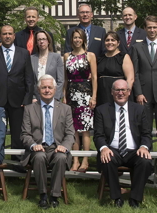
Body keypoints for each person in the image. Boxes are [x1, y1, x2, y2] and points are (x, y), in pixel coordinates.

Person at [93, 79, 152, 208]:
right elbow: (98, 135)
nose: (120, 93)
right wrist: (103, 148)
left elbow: (146, 134)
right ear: (112, 92)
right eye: (117, 90)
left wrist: (144, 146)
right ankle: (117, 197)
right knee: (107, 159)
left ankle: (135, 199)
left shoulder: (139, 110)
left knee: (145, 161)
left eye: (123, 90)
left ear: (129, 92)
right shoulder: (101, 110)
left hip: (134, 151)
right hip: (113, 149)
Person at [20, 75, 74, 209]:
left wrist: (64, 146)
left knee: (61, 158)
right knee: (39, 157)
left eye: (50, 87)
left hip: (57, 148)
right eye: (44, 87)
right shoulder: (29, 109)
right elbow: (25, 134)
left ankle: (55, 196)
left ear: (55, 90)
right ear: (38, 90)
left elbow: (70, 134)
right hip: (39, 147)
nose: (47, 90)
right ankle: (43, 195)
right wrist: (33, 145)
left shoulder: (65, 109)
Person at [0, 25, 34, 161]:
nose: (7, 36)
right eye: (4, 34)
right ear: (0, 36)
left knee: (18, 133)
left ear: (14, 36)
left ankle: (17, 161)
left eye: (10, 33)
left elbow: (29, 78)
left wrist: (27, 99)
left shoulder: (23, 53)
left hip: (18, 101)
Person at [63, 28, 97, 172]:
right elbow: (65, 79)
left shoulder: (90, 55)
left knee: (85, 130)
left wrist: (94, 96)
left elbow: (95, 77)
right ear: (72, 40)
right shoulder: (66, 56)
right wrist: (64, 96)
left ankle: (85, 160)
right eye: (75, 37)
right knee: (73, 129)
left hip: (85, 93)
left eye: (79, 37)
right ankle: (75, 160)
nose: (77, 40)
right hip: (71, 93)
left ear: (83, 39)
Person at [130, 15, 157, 127]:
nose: (152, 30)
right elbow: (135, 72)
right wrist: (139, 93)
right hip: (144, 95)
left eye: (155, 27)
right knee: (145, 129)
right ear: (145, 29)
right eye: (149, 27)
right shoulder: (137, 47)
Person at [97, 31, 134, 106]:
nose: (110, 42)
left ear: (118, 43)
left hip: (119, 94)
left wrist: (125, 93)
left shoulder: (123, 57)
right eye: (107, 40)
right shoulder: (100, 58)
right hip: (102, 95)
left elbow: (130, 78)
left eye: (113, 40)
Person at [31, 30, 64, 102]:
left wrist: (55, 98)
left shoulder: (56, 57)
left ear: (48, 41)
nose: (41, 42)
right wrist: (33, 97)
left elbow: (60, 80)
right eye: (39, 39)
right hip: (37, 99)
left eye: (43, 39)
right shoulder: (31, 59)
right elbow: (30, 81)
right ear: (36, 43)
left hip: (53, 98)